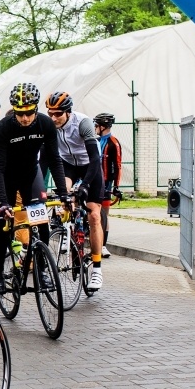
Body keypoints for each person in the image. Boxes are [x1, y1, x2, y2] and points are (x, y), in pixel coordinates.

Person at [0, 83, 68, 294]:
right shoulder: (4, 128)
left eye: (29, 113)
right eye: (19, 114)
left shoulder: (45, 124)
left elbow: (55, 160)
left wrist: (63, 194)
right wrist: (2, 201)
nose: (24, 118)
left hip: (30, 176)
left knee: (42, 224)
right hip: (6, 178)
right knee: (3, 227)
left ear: (36, 109)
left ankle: (41, 270)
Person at [45, 91, 105, 290]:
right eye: (50, 114)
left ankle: (97, 269)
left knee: (94, 215)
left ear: (68, 112)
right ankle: (67, 232)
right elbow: (45, 159)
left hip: (90, 165)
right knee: (65, 195)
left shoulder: (83, 123)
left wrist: (86, 185)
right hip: (68, 165)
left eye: (58, 114)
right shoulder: (49, 126)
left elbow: (95, 158)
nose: (54, 118)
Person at [93, 112, 122, 257]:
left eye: (96, 125)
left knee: (104, 215)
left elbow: (118, 165)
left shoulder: (113, 143)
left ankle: (103, 246)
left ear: (103, 126)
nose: (94, 128)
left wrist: (116, 187)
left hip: (106, 183)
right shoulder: (95, 141)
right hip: (93, 181)